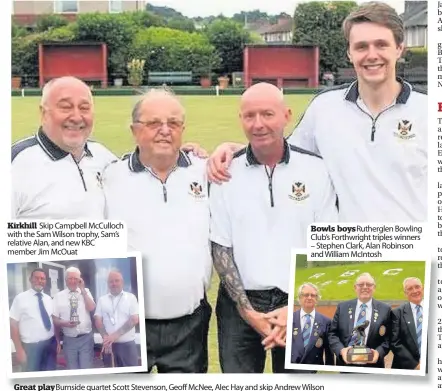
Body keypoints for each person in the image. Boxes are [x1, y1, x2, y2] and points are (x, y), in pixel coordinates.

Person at [206, 1, 427, 223]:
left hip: (417, 254)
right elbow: (287, 156)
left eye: (381, 45)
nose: (371, 55)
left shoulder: (428, 110)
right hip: (351, 253)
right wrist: (232, 150)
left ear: (399, 48)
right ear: (349, 52)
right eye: (361, 46)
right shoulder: (324, 108)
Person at [210, 82, 338, 374]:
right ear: (240, 119)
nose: (258, 124)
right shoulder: (224, 172)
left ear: (286, 115)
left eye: (267, 114)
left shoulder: (317, 170)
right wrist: (248, 311)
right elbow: (221, 247)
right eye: (249, 116)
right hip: (239, 305)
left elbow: (327, 245)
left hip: (299, 299)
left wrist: (296, 307)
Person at [103, 88, 212, 373]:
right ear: (134, 130)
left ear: (183, 129)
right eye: (153, 123)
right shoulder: (108, 176)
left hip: (189, 324)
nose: (165, 131)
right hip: (127, 328)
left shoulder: (206, 171)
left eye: (173, 123)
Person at [11, 76, 117, 219]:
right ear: (44, 114)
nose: (76, 117)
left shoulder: (104, 157)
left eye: (84, 108)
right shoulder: (15, 164)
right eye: (66, 107)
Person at [328, 273, 391, 369]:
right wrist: (341, 351)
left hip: (373, 367)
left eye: (369, 284)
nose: (365, 287)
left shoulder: (385, 309)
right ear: (355, 287)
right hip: (346, 366)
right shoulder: (343, 307)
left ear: (374, 287)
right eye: (361, 285)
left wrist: (378, 352)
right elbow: (332, 334)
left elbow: (389, 338)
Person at [9, 268, 59, 372]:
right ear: (30, 279)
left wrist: (57, 341)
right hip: (30, 348)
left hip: (50, 345)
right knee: (32, 377)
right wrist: (19, 350)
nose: (40, 281)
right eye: (36, 278)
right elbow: (13, 324)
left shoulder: (48, 299)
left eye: (43, 278)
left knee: (50, 375)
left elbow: (52, 321)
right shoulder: (20, 298)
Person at [52, 267, 96, 370]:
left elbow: (91, 308)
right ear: (66, 280)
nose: (73, 281)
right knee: (72, 369)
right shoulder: (58, 296)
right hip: (69, 340)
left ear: (80, 279)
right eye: (70, 278)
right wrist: (64, 323)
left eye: (75, 278)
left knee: (86, 369)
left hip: (86, 339)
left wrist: (83, 290)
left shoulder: (86, 292)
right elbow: (54, 319)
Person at [95, 270, 140, 368]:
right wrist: (106, 338)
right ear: (107, 284)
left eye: (117, 280)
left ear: (122, 282)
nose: (114, 283)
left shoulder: (131, 298)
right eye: (111, 281)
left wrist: (113, 336)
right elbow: (97, 320)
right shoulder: (102, 300)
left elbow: (134, 319)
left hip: (127, 346)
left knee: (132, 377)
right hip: (109, 346)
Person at [290, 283, 334, 369]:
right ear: (299, 298)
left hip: (315, 371)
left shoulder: (326, 322)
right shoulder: (290, 319)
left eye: (313, 295)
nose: (309, 298)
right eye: (306, 295)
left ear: (317, 299)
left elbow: (329, 353)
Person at [391, 277, 424, 370]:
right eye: (410, 289)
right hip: (408, 367)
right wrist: (414, 365)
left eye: (417, 287)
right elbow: (395, 342)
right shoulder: (397, 313)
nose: (415, 291)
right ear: (405, 293)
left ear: (423, 288)